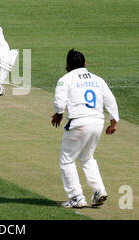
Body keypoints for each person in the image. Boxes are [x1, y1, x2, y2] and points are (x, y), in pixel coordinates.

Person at [51, 49, 119, 208]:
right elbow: (110, 100)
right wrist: (114, 122)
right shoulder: (98, 79)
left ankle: (76, 197)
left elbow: (59, 101)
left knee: (67, 160)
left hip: (79, 123)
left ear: (67, 65)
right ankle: (99, 191)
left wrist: (59, 114)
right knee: (87, 157)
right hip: (97, 122)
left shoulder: (65, 79)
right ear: (85, 64)